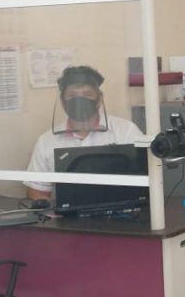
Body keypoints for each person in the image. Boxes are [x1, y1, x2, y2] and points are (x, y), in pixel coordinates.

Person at [24, 65, 144, 201]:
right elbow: (36, 191)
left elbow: (148, 181)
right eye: (72, 95)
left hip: (121, 209)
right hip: (69, 213)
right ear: (63, 102)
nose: (79, 101)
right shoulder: (47, 141)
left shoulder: (126, 130)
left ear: (100, 98)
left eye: (87, 94)